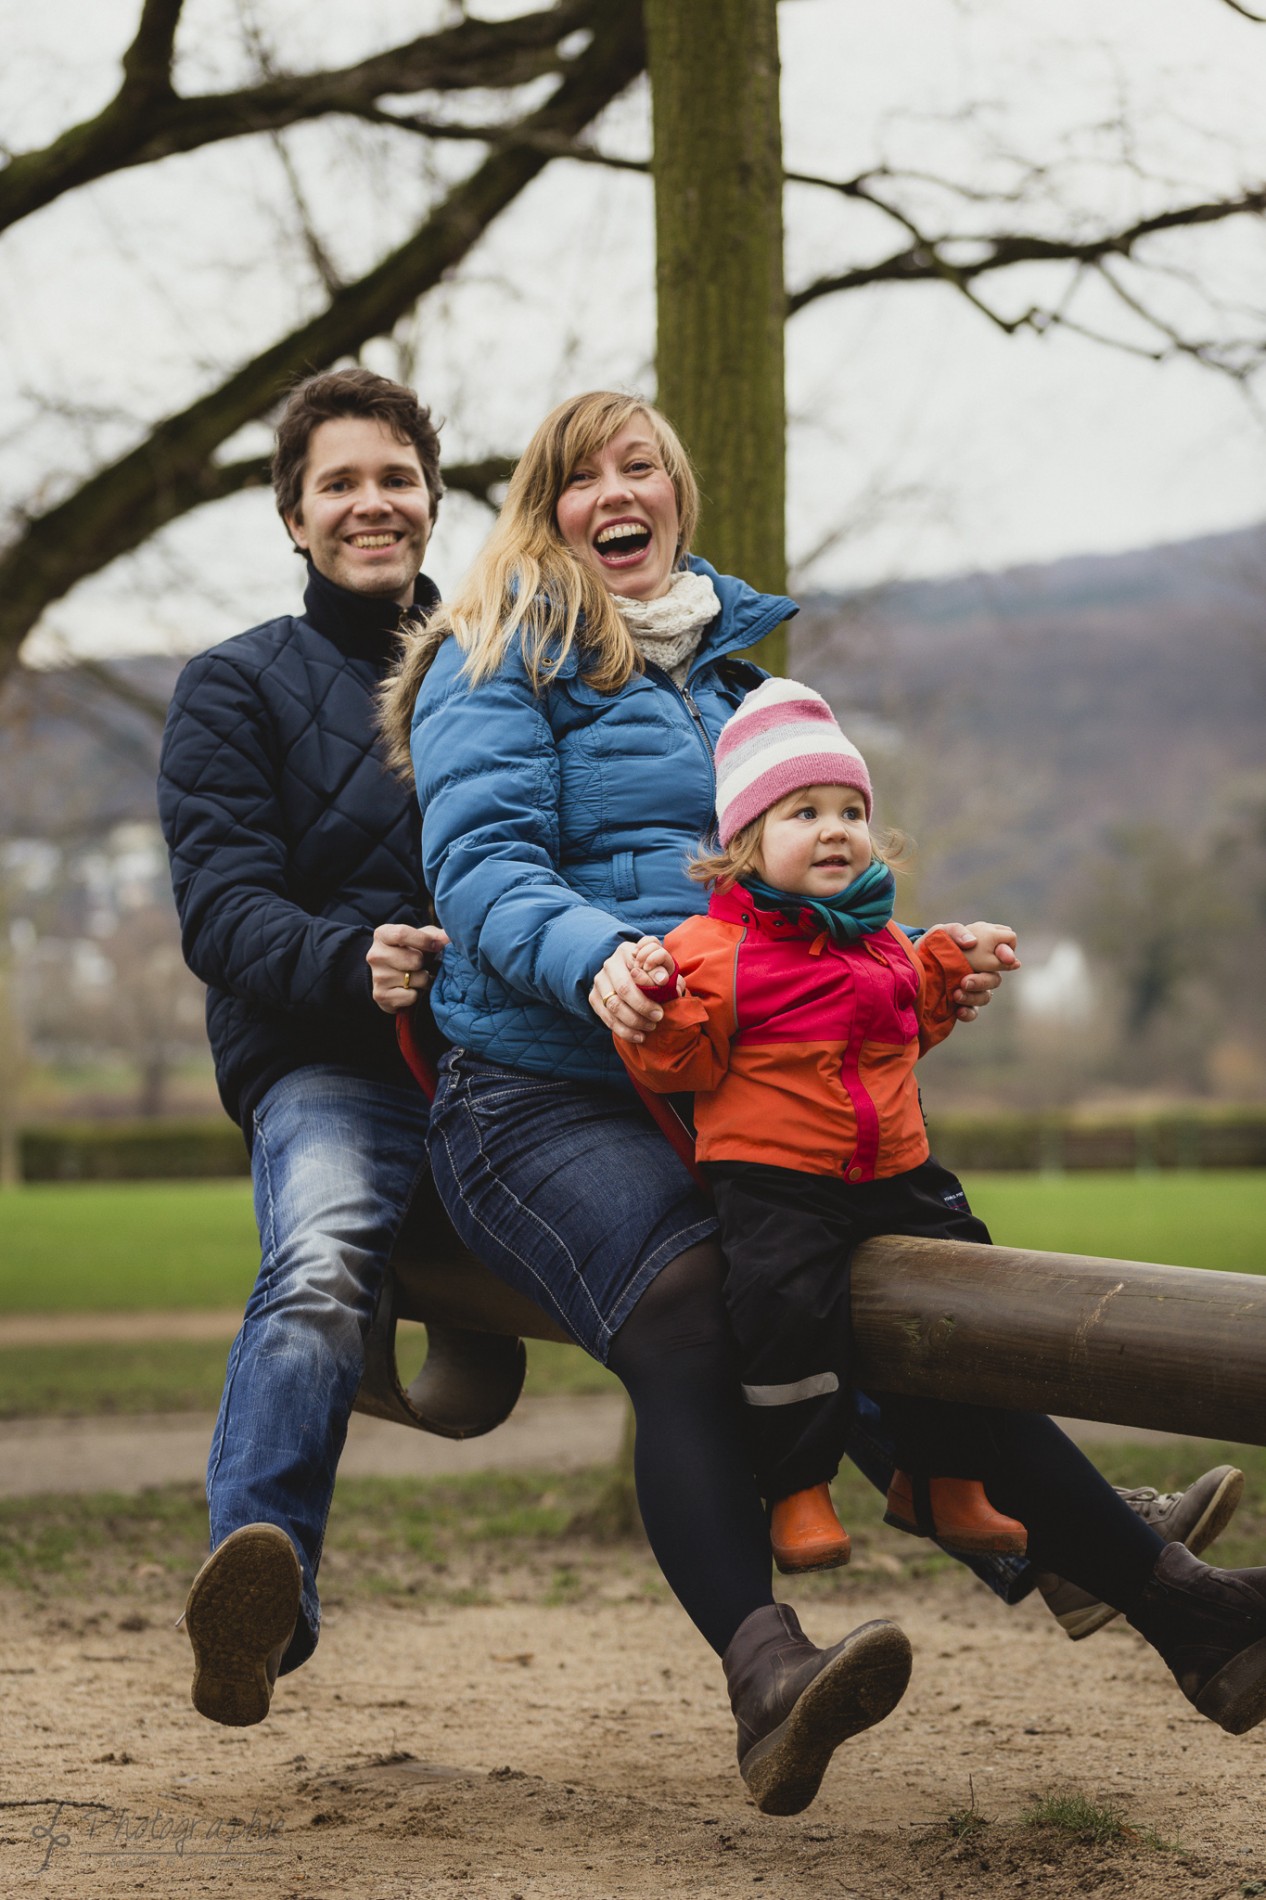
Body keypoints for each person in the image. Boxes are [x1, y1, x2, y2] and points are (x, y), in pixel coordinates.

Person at [385, 388, 1266, 1815]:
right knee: (687, 1302)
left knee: (882, 1296)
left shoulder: (740, 693)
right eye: (581, 474)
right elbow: (481, 866)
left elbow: (815, 891)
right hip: (532, 1094)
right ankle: (767, 1676)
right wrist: (597, 959)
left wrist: (906, 961)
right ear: (544, 511)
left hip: (721, 1092)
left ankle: (1189, 1614)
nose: (616, 491)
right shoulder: (494, 656)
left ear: (677, 496)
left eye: (642, 466)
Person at [158, 367, 454, 1728]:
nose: (369, 504)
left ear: (434, 498)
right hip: (331, 1063)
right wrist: (355, 961)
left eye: (394, 476)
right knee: (322, 1262)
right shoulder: (233, 688)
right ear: (291, 515)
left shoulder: (509, 663)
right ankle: (260, 1601)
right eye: (338, 482)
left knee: (743, 1246)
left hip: (519, 1074)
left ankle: (1044, 1533)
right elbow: (224, 912)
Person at [617, 678, 1031, 1572]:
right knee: (782, 1310)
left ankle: (942, 1477)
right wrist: (656, 1004)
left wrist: (950, 967)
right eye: (804, 811)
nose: (836, 828)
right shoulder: (712, 951)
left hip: (896, 1172)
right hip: (776, 1180)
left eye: (850, 809)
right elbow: (681, 1066)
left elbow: (905, 1028)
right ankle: (797, 1489)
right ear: (746, 844)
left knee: (965, 1290)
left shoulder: (880, 938)